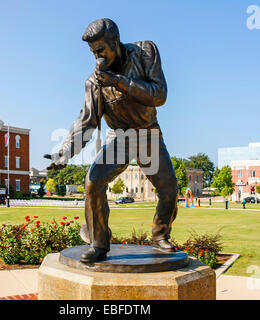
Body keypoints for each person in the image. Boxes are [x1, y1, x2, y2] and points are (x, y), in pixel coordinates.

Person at [45, 18, 178, 263]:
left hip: (149, 133)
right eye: (93, 52)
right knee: (93, 181)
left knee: (169, 189)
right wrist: (65, 151)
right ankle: (98, 242)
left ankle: (160, 236)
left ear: (115, 42)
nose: (97, 57)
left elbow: (159, 95)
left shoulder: (145, 52)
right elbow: (86, 121)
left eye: (100, 50)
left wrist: (119, 82)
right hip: (120, 137)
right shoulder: (94, 82)